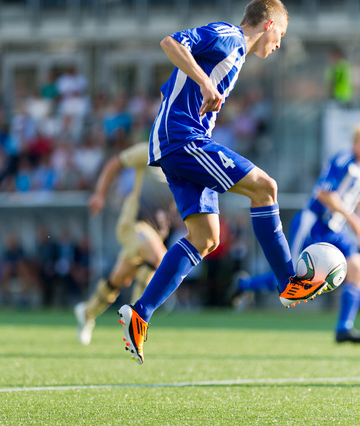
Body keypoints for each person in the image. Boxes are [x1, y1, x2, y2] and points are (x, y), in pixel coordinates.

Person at [117, 0, 323, 365]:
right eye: (282, 35)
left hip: (178, 143)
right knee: (265, 187)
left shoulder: (236, 56)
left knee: (206, 239)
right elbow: (170, 42)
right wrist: (204, 85)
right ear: (270, 23)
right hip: (181, 139)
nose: (279, 44)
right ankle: (288, 282)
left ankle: (140, 313)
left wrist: (202, 88)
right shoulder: (228, 36)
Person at [231, 123, 360, 343]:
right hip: (313, 223)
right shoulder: (343, 162)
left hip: (336, 229)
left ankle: (343, 328)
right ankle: (243, 285)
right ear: (354, 144)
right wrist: (355, 222)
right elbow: (324, 193)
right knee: (293, 278)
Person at [74, 142, 174, 346]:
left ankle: (86, 313)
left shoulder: (183, 161)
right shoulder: (150, 150)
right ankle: (137, 322)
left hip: (156, 232)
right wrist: (100, 194)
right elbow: (115, 163)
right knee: (160, 258)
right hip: (134, 225)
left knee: (120, 279)